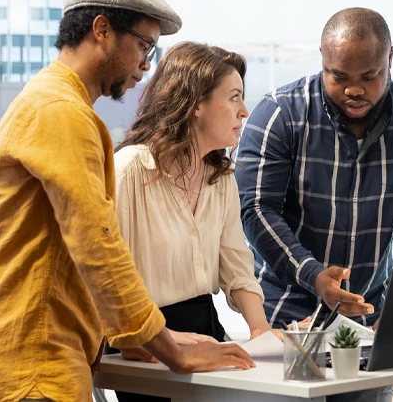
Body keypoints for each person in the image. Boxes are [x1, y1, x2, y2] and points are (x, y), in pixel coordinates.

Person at [0, 0, 253, 402]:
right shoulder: (61, 112)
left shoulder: (46, 101)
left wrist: (140, 338)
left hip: (20, 353)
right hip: (29, 361)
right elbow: (99, 246)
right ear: (102, 30)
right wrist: (171, 350)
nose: (146, 65)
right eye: (144, 45)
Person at [235, 7, 393, 402]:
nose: (355, 90)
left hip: (370, 317)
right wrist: (315, 276)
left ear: (390, 58)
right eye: (339, 77)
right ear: (322, 59)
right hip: (288, 317)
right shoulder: (279, 113)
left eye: (370, 77)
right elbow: (257, 211)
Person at [109, 41, 279, 402]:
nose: (245, 111)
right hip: (143, 342)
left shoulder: (219, 178)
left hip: (204, 327)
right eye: (234, 98)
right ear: (196, 104)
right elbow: (105, 282)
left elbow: (236, 266)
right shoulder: (129, 171)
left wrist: (261, 330)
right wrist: (159, 339)